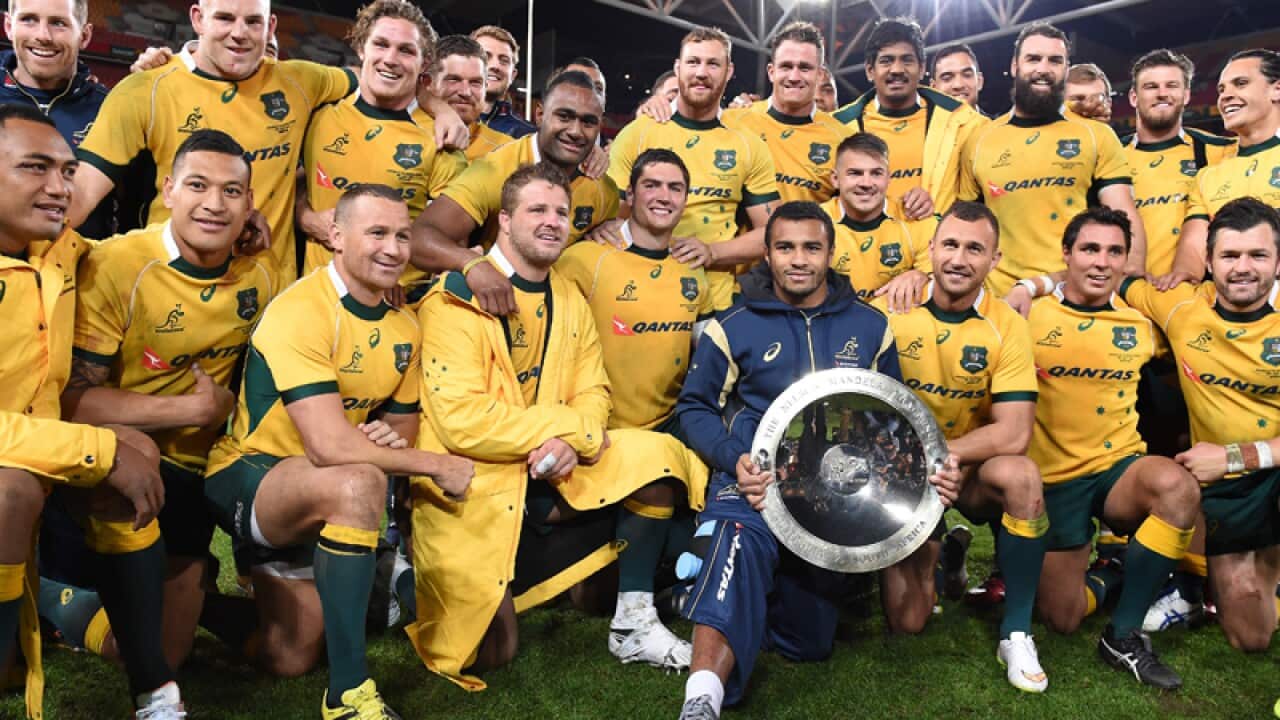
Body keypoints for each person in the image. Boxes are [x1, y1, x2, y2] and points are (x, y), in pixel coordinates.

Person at [406, 163, 707, 688]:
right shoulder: (451, 298)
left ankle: (633, 621)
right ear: (503, 220)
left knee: (655, 455)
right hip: (479, 483)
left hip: (552, 469)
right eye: (537, 210)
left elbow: (595, 390)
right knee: (487, 652)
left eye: (562, 212)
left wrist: (571, 438)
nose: (552, 222)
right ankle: (397, 583)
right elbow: (463, 423)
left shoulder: (566, 293)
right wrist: (567, 431)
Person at [202, 184, 472, 717]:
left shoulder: (404, 327)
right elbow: (330, 446)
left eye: (401, 235)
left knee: (289, 656)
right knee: (359, 481)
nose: (394, 249)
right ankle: (349, 694)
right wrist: (436, 465)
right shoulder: (301, 309)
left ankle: (193, 604)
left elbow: (400, 432)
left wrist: (384, 443)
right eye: (376, 233)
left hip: (322, 490)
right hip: (252, 474)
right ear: (335, 235)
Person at [34, 129, 276, 676]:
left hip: (195, 477)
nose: (214, 204)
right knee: (133, 649)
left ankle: (198, 598)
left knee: (169, 653)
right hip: (110, 470)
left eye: (232, 192)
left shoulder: (263, 273)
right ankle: (48, 592)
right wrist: (192, 411)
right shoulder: (117, 265)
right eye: (197, 185)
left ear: (251, 205)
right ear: (167, 190)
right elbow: (69, 402)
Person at [675, 200, 901, 718]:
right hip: (751, 482)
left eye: (811, 247)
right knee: (739, 542)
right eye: (785, 247)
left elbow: (892, 415)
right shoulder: (730, 325)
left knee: (810, 642)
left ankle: (708, 594)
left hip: (829, 500)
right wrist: (735, 460)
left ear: (830, 253)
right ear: (768, 254)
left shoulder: (870, 327)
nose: (798, 260)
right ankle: (702, 698)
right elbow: (694, 407)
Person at [0, 104, 180, 719]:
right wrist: (96, 454)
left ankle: (155, 692)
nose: (59, 187)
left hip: (34, 436)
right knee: (11, 493)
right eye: (34, 168)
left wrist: (235, 229)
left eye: (67, 170)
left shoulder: (57, 249)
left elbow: (131, 250)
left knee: (139, 451)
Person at [1016, 206, 1199, 689]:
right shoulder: (1027, 316)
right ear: (1067, 255)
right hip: (1055, 480)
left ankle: (1124, 634)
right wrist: (1032, 284)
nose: (1102, 262)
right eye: (1090, 249)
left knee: (1178, 489)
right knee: (1063, 616)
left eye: (1114, 251)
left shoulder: (1141, 325)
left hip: (1118, 470)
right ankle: (1115, 572)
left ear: (1125, 260)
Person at [873, 201, 1049, 692]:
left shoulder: (1007, 325)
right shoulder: (890, 308)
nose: (959, 258)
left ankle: (1015, 631)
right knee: (908, 621)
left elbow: (1014, 433)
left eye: (975, 249)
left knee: (1022, 476)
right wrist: (915, 463)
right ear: (930, 249)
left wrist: (947, 454)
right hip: (902, 470)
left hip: (963, 467)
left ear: (994, 261)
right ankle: (944, 551)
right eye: (949, 244)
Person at [1117, 197, 1280, 653]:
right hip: (1234, 490)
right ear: (1207, 261)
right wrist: (1029, 287)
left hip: (1265, 467)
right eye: (1230, 255)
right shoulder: (1180, 306)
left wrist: (1231, 456)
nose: (1243, 268)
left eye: (1258, 255)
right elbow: (1117, 276)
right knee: (1249, 637)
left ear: (1278, 260)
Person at [409, 70, 619, 314]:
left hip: (559, 316)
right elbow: (419, 238)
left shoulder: (603, 191)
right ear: (540, 114)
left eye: (588, 122)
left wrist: (608, 228)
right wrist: (472, 264)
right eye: (564, 116)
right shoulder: (496, 170)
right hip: (491, 309)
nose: (575, 131)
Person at [960, 22, 1145, 297]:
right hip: (1001, 300)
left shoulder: (1096, 135)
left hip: (1073, 297)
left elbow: (1124, 214)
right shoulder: (979, 140)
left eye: (1055, 60)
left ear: (1066, 69)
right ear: (1014, 66)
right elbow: (966, 225)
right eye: (1033, 58)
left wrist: (1127, 282)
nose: (1043, 69)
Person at [297, 0, 465, 295]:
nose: (391, 59)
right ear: (362, 48)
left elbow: (453, 241)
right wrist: (306, 218)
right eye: (381, 44)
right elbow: (290, 180)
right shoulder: (319, 114)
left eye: (406, 50)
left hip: (398, 307)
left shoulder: (441, 139)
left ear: (424, 62)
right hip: (316, 302)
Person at [607, 26, 780, 311]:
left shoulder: (748, 145)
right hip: (640, 295)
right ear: (677, 68)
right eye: (693, 62)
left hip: (715, 304)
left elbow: (772, 231)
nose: (701, 72)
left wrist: (712, 252)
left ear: (729, 71)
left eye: (713, 63)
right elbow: (612, 219)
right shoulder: (638, 133)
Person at [1, 0, 144, 239]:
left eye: (58, 23)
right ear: (8, 25)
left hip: (80, 271)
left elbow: (133, 208)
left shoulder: (110, 108)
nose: (43, 35)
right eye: (29, 20)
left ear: (85, 35)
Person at [833, 17, 985, 221]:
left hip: (934, 248)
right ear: (870, 71)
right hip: (864, 250)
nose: (897, 69)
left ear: (921, 68)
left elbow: (976, 199)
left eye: (907, 60)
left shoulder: (965, 123)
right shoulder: (836, 127)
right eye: (886, 60)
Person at [1166, 49, 1280, 284]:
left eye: (1241, 83)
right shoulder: (1209, 176)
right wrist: (1184, 283)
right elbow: (1192, 252)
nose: (1226, 96)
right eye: (1222, 89)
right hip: (1232, 307)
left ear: (1277, 89)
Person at [1124, 50, 1236, 278]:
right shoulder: (1111, 154)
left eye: (1171, 85)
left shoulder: (1221, 150)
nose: (1162, 94)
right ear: (1133, 98)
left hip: (1197, 294)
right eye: (1151, 87)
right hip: (1127, 293)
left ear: (1186, 95)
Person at [820, 132, 935, 308]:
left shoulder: (916, 220)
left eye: (876, 173)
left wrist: (924, 275)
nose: (866, 183)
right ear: (835, 179)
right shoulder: (814, 224)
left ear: (889, 178)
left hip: (895, 324)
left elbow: (949, 278)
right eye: (855, 173)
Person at [431, 34, 516, 161]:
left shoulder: (506, 149)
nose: (466, 92)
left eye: (475, 82)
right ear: (428, 82)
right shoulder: (401, 128)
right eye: (454, 79)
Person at [471, 24, 535, 139]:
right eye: (485, 57)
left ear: (513, 75)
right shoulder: (438, 119)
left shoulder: (528, 136)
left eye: (504, 60)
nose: (495, 66)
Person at [930, 43, 984, 112]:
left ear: (979, 81)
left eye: (967, 75)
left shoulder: (998, 122)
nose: (958, 85)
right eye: (947, 78)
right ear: (933, 88)